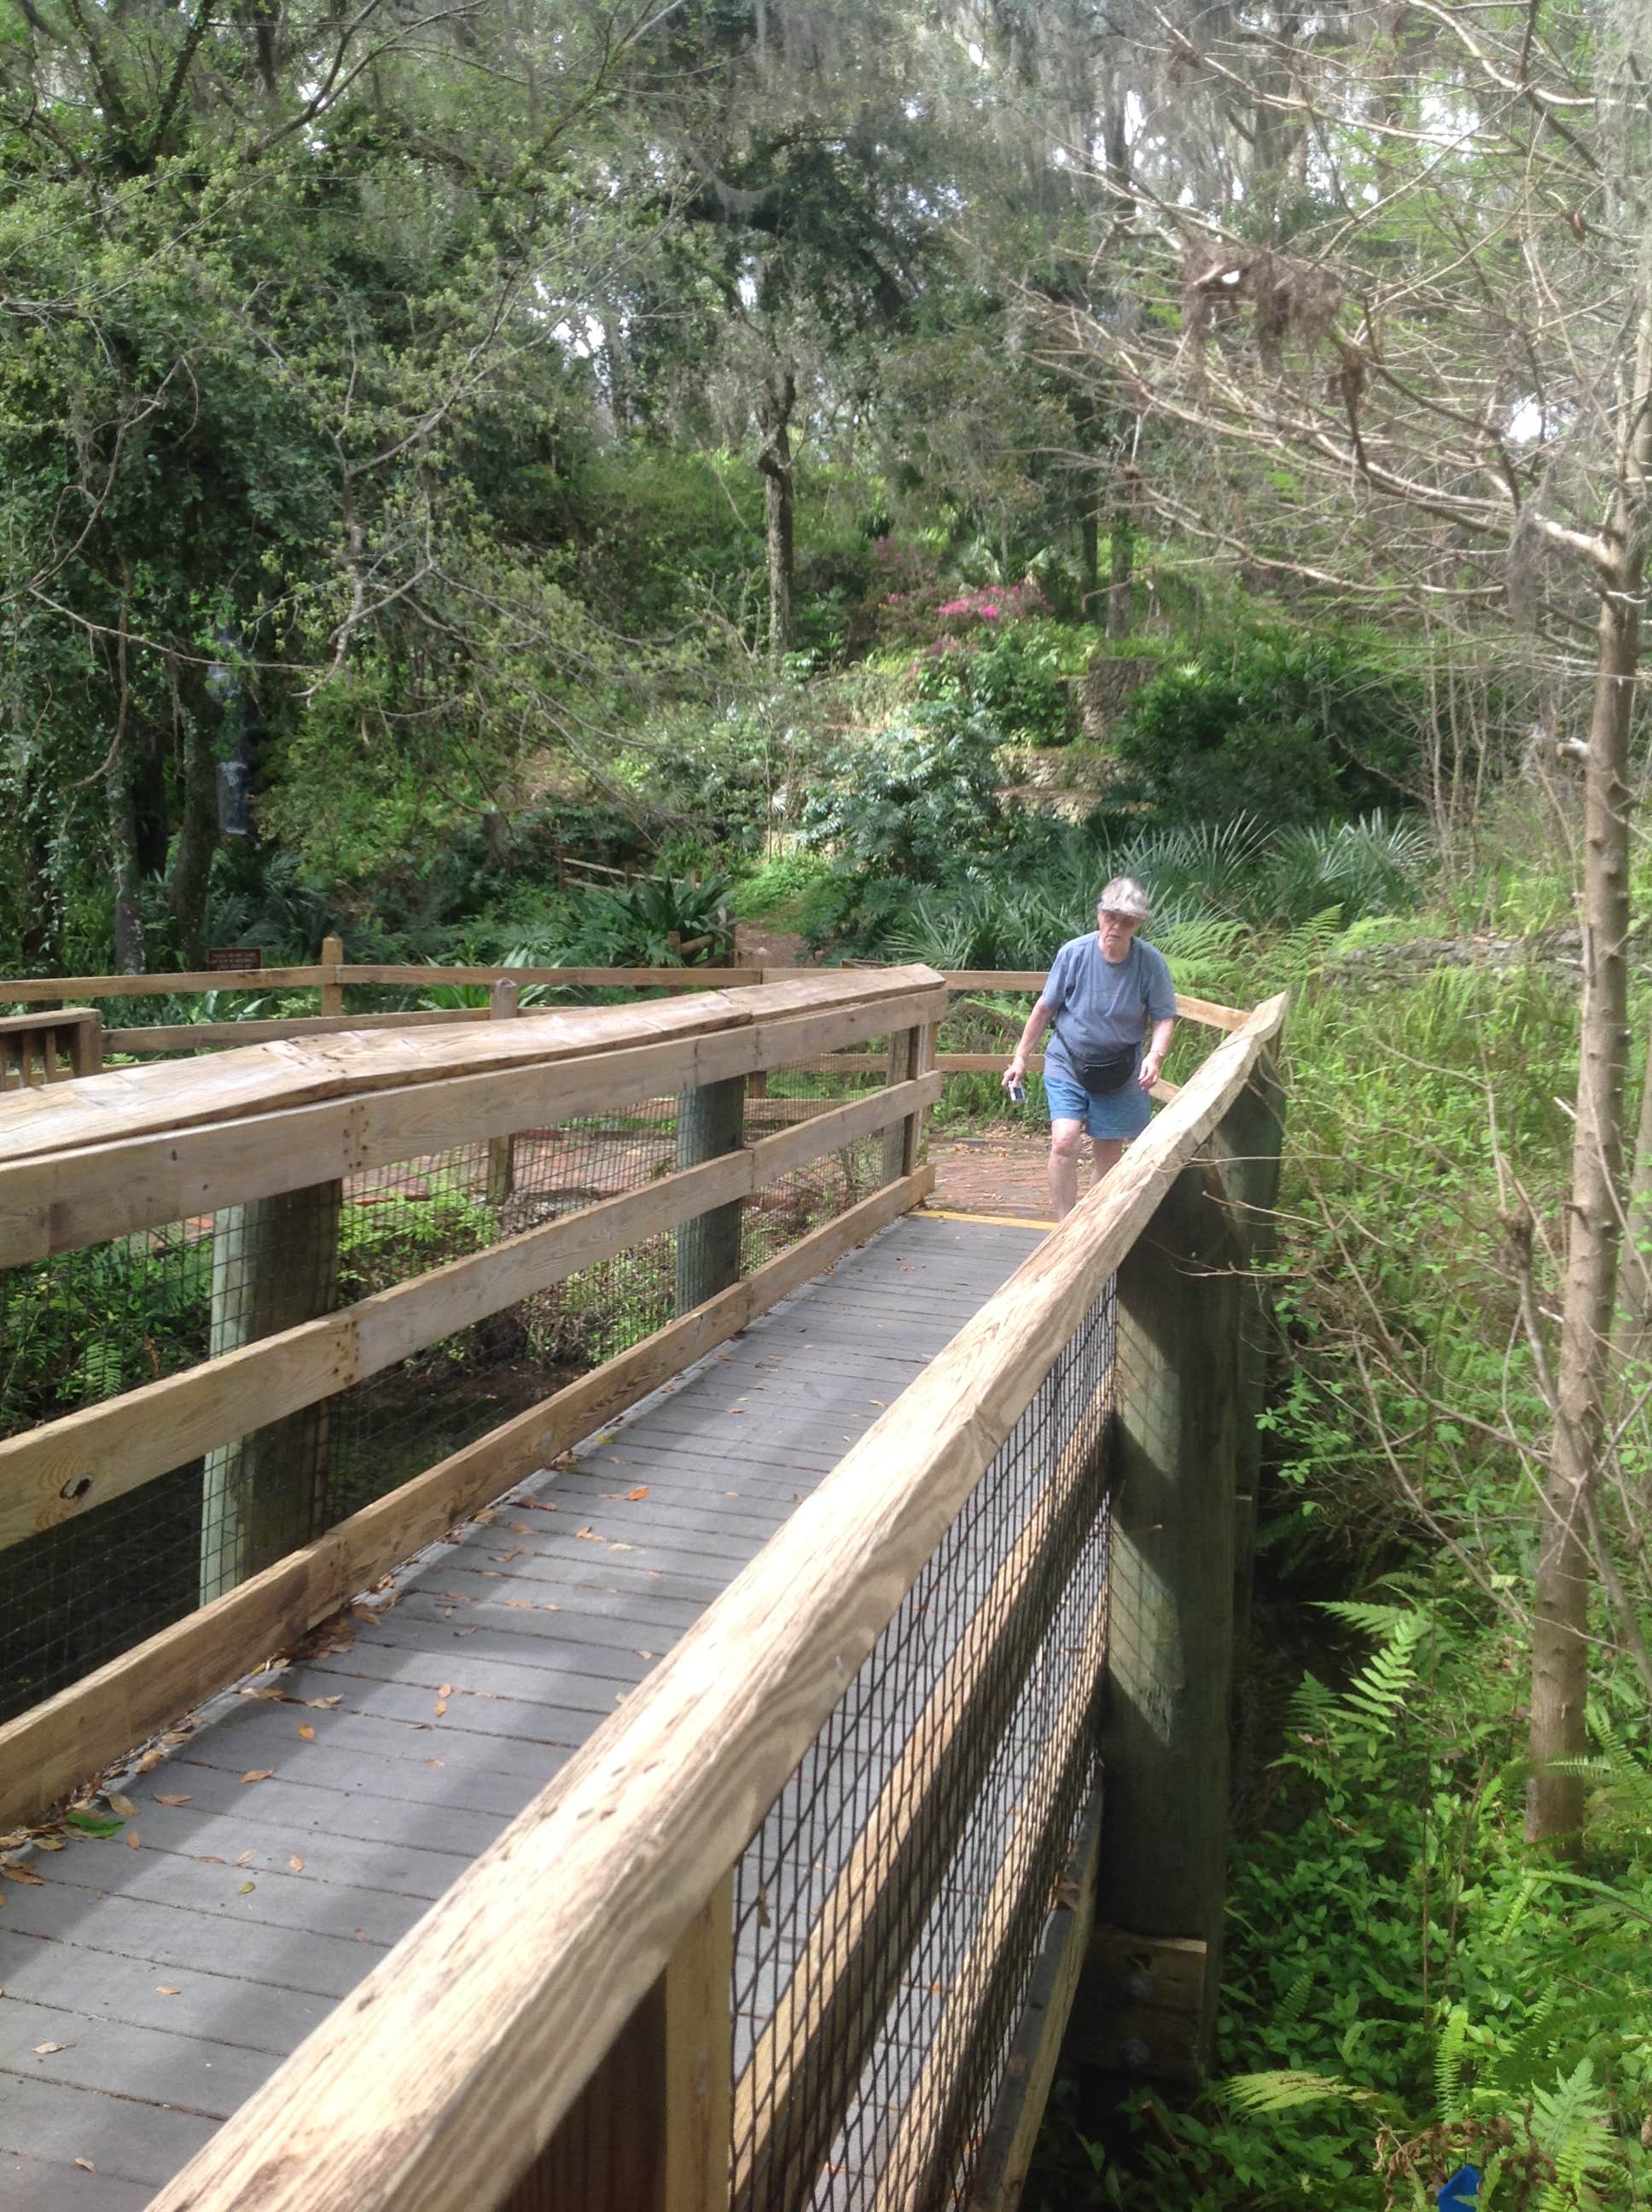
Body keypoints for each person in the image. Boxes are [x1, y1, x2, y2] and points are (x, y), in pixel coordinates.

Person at [1002, 877, 1175, 1220]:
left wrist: (1155, 1056)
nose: (1116, 927)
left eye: (1127, 921)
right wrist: (1020, 1058)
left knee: (1108, 1151)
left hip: (1120, 1067)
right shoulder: (1074, 954)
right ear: (1099, 914)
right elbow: (1044, 1008)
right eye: (1111, 917)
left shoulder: (1150, 963)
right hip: (1068, 1060)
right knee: (1064, 1141)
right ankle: (1064, 1225)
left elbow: (1163, 1016)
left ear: (1138, 924)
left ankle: (1091, 1225)